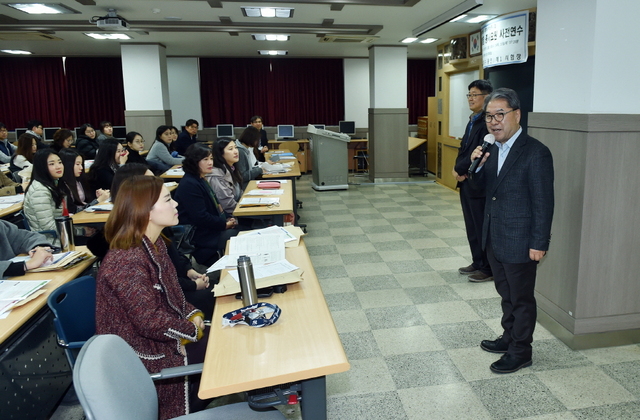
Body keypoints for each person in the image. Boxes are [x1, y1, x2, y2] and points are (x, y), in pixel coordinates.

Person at [96, 175, 208, 419]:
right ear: (144, 210)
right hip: (146, 356)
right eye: (168, 200)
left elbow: (175, 296)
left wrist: (192, 315)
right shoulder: (127, 260)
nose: (176, 204)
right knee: (227, 355)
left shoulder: (155, 245)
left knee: (226, 340)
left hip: (162, 339)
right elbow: (149, 322)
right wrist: (191, 329)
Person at [468, 88, 554, 374]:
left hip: (521, 241)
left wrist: (539, 242)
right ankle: (509, 337)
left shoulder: (536, 153)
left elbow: (543, 202)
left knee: (521, 298)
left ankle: (521, 350)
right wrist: (476, 165)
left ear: (517, 115)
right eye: (489, 116)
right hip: (494, 237)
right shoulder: (491, 149)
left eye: (500, 115)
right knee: (506, 294)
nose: (494, 122)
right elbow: (480, 192)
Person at [453, 79, 494, 283]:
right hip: (466, 181)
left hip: (479, 182)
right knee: (471, 225)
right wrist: (457, 169)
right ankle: (477, 261)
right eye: (468, 94)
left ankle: (488, 268)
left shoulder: (487, 122)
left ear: (486, 97)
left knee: (481, 226)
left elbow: (479, 152)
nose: (470, 98)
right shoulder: (472, 119)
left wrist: (460, 169)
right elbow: (464, 148)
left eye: (474, 94)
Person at [174, 143, 238, 266]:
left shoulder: (200, 178)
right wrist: (224, 224)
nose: (210, 163)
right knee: (239, 234)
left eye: (211, 159)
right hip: (198, 233)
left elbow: (215, 206)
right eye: (205, 159)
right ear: (194, 161)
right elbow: (200, 217)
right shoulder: (189, 184)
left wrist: (226, 218)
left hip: (208, 227)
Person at [23, 149, 68, 236]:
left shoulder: (54, 183)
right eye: (52, 164)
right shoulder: (39, 191)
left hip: (61, 235)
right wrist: (80, 231)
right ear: (41, 167)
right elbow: (49, 227)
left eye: (59, 162)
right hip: (49, 241)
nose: (58, 166)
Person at [59, 148, 109, 213]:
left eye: (81, 164)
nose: (81, 168)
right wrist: (98, 201)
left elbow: (86, 201)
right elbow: (73, 211)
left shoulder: (80, 180)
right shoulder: (62, 185)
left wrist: (97, 197)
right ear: (67, 165)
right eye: (77, 164)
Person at [207, 138, 243, 215]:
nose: (236, 151)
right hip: (231, 216)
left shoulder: (232, 168)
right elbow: (227, 204)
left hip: (238, 209)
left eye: (235, 147)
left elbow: (239, 193)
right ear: (220, 153)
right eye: (230, 149)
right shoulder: (217, 175)